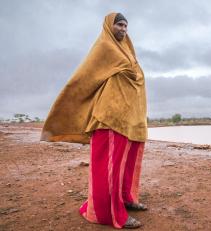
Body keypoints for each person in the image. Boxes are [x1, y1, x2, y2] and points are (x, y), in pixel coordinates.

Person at [40, 12, 148, 229]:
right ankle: (106, 213)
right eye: (119, 25)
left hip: (129, 119)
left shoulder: (127, 50)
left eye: (126, 26)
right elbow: (84, 79)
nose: (123, 29)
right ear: (109, 26)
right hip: (108, 118)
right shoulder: (104, 48)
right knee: (108, 168)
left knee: (124, 165)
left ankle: (125, 199)